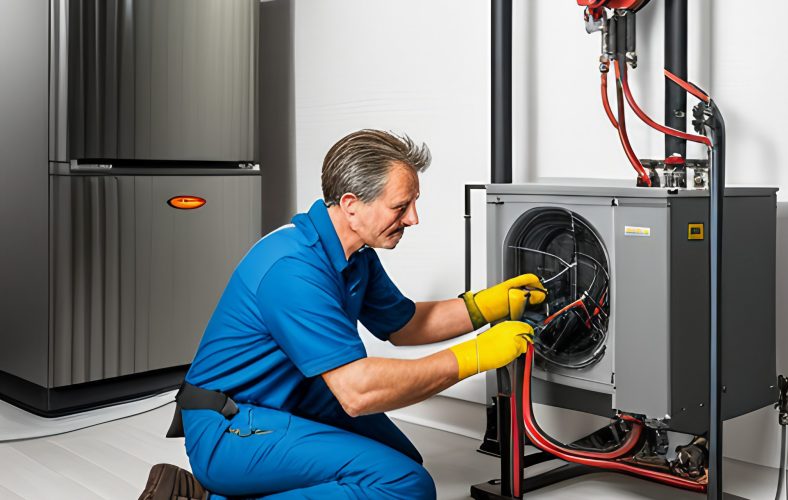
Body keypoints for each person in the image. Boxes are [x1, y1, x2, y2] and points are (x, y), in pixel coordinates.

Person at [165, 130, 546, 499]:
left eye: (413, 203)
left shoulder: (356, 255)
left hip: (290, 403)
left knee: (402, 462)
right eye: (401, 206)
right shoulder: (292, 269)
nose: (414, 218)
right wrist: (474, 356)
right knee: (403, 486)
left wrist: (485, 306)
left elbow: (406, 325)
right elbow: (358, 392)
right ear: (351, 205)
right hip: (230, 427)